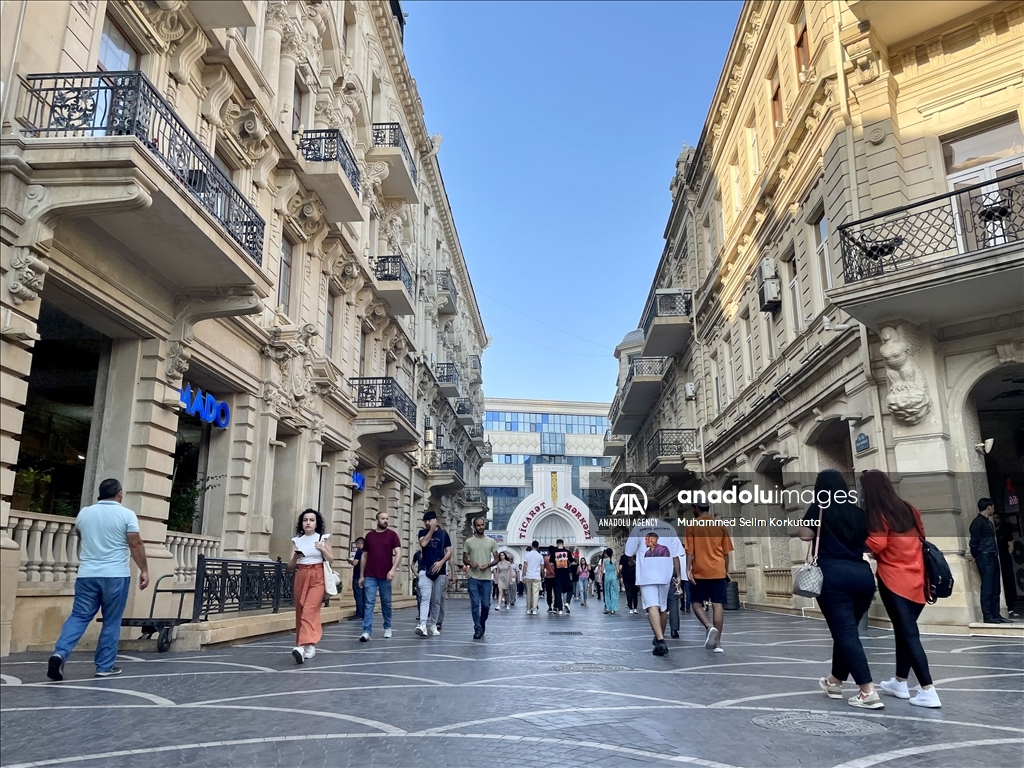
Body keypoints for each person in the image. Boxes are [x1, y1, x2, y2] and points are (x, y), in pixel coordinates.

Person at [47, 479, 149, 681]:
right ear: (119, 493)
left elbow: (79, 533)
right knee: (111, 621)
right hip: (115, 576)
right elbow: (135, 543)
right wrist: (144, 569)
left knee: (79, 616)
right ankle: (104, 666)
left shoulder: (85, 513)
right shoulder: (126, 514)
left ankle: (59, 654)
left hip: (87, 574)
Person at [798, 469, 882, 709]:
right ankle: (834, 681)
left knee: (845, 632)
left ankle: (867, 690)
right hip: (862, 575)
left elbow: (805, 535)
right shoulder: (857, 512)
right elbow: (868, 543)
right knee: (846, 631)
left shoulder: (820, 507)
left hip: (833, 575)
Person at [862, 470, 941, 708]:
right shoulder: (908, 508)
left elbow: (878, 544)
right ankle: (900, 682)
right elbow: (922, 536)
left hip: (894, 581)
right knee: (904, 632)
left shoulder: (877, 513)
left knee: (908, 634)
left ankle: (928, 689)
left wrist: (856, 538)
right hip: (919, 579)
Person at [625, 500, 683, 657]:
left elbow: (628, 554)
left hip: (647, 575)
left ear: (645, 512)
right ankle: (659, 639)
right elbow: (676, 554)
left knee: (652, 607)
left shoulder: (638, 529)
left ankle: (661, 639)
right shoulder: (669, 528)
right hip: (665, 574)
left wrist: (634, 563)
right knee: (663, 608)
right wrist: (678, 575)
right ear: (659, 511)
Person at [685, 502, 734, 653]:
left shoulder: (692, 525)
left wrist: (688, 569)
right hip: (718, 570)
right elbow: (726, 553)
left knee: (696, 603)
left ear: (696, 508)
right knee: (718, 604)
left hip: (700, 571)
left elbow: (690, 551)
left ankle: (708, 626)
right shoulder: (720, 525)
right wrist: (725, 571)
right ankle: (718, 643)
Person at [288, 509, 333, 664]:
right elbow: (290, 566)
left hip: (318, 575)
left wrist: (322, 549)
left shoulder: (323, 538)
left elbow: (331, 559)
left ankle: (301, 646)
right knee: (301, 610)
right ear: (302, 523)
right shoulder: (297, 541)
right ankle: (310, 645)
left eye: (312, 520)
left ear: (316, 523)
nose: (308, 522)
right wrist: (295, 557)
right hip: (301, 574)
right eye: (305, 520)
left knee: (309, 609)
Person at [359, 510, 402, 642]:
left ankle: (387, 627)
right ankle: (366, 631)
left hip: (385, 575)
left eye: (387, 518)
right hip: (370, 574)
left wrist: (393, 570)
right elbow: (364, 555)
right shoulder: (370, 536)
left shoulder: (392, 535)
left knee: (386, 603)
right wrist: (361, 575)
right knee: (369, 602)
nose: (385, 520)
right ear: (377, 520)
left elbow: (399, 553)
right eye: (382, 518)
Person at [970, 498, 1007, 624]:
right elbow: (974, 542)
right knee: (987, 586)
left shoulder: (987, 522)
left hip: (991, 554)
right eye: (992, 507)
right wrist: (977, 555)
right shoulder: (978, 522)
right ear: (988, 507)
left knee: (995, 586)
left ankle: (995, 614)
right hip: (984, 556)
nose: (994, 509)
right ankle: (988, 615)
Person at [415, 511, 451, 638]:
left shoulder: (444, 534)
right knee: (425, 598)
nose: (426, 523)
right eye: (425, 521)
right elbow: (423, 543)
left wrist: (441, 563)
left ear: (435, 520)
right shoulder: (422, 533)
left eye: (429, 521)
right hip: (425, 570)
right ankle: (423, 625)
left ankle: (433, 625)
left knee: (436, 600)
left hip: (439, 572)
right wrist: (431, 530)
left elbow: (449, 552)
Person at [464, 517, 500, 638]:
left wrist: (488, 564)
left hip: (486, 578)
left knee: (485, 605)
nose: (480, 527)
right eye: (478, 525)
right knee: (474, 604)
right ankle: (477, 628)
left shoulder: (491, 542)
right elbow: (464, 558)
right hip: (473, 577)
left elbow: (496, 559)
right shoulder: (468, 542)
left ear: (485, 525)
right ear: (474, 527)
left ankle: (482, 622)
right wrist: (470, 563)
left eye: (482, 525)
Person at [993, 511, 1019, 620]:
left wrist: (1008, 554)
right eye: (994, 517)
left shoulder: (1004, 531)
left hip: (1004, 559)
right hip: (994, 559)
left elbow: (1011, 545)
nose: (995, 520)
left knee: (1008, 583)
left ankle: (1010, 608)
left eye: (997, 518)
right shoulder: (990, 530)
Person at [523, 541, 544, 614]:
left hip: (528, 576)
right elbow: (542, 568)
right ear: (538, 547)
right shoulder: (540, 556)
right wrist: (542, 576)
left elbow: (525, 566)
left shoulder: (527, 555)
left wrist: (523, 575)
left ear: (531, 546)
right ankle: (534, 609)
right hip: (537, 576)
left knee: (528, 593)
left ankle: (528, 608)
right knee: (536, 593)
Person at [552, 539, 573, 614]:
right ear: (563, 544)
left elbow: (551, 563)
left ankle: (560, 609)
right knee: (570, 589)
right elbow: (572, 561)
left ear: (557, 544)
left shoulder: (554, 552)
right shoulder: (567, 552)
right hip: (566, 574)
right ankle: (567, 602)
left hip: (557, 575)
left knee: (558, 592)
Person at [348, 537, 365, 621]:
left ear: (359, 543)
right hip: (365, 577)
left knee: (358, 595)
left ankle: (359, 613)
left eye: (356, 544)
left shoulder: (359, 552)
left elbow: (355, 563)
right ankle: (364, 613)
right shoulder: (366, 552)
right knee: (363, 595)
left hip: (357, 576)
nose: (356, 546)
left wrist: (349, 561)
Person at [618, 549, 638, 614]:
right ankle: (635, 608)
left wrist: (620, 574)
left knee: (628, 592)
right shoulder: (635, 556)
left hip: (626, 576)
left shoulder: (623, 557)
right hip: (635, 576)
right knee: (634, 592)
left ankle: (630, 608)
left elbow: (620, 568)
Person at [602, 548, 619, 614]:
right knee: (614, 592)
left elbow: (602, 570)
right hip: (613, 577)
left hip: (607, 576)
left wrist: (600, 579)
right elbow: (617, 570)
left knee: (607, 592)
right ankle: (613, 608)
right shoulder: (615, 560)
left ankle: (608, 608)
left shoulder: (604, 560)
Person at [543, 546, 557, 612]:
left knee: (549, 592)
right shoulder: (557, 558)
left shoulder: (545, 558)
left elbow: (544, 567)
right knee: (556, 592)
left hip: (548, 577)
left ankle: (549, 606)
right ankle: (555, 606)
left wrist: (543, 575)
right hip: (556, 577)